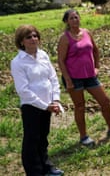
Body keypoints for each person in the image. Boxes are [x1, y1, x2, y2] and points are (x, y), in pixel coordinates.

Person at [57, 9, 110, 146]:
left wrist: (97, 67)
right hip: (74, 77)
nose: (75, 20)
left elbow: (95, 50)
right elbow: (60, 60)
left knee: (105, 101)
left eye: (76, 17)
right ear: (66, 22)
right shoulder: (65, 38)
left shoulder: (87, 33)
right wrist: (68, 80)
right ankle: (83, 137)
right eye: (71, 18)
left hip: (90, 75)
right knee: (80, 106)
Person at [11, 25, 64, 176]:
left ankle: (46, 167)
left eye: (35, 36)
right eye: (28, 37)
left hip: (48, 104)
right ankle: (34, 171)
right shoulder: (18, 62)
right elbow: (23, 90)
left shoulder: (43, 55)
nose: (33, 39)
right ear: (21, 42)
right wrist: (45, 106)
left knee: (43, 137)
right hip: (32, 106)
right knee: (31, 140)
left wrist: (56, 100)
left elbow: (52, 78)